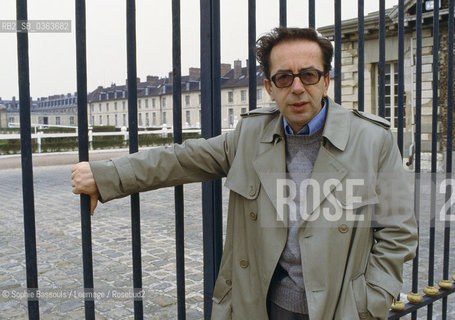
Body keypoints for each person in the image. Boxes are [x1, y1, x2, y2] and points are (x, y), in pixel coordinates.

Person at [72, 27, 417, 320]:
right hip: (264, 305)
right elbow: (182, 159)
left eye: (309, 75)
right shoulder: (250, 136)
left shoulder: (373, 140)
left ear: (326, 81)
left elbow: (399, 230)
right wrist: (106, 175)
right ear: (270, 87)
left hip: (340, 307)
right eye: (284, 77)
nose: (297, 87)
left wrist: (371, 300)